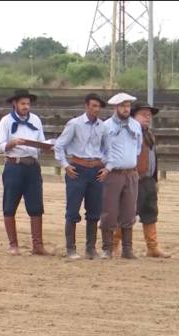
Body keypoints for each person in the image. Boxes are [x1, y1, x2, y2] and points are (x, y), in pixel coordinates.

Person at [53, 93, 108, 259]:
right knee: (72, 209)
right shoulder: (75, 124)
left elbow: (108, 148)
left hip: (96, 170)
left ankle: (90, 248)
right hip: (78, 168)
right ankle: (71, 248)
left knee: (94, 210)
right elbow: (59, 146)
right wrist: (65, 165)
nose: (96, 109)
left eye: (98, 106)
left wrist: (106, 166)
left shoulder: (103, 126)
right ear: (86, 106)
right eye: (93, 106)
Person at [112, 101, 171, 258]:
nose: (148, 118)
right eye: (143, 115)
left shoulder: (148, 134)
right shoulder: (129, 133)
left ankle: (152, 247)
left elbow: (153, 159)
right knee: (126, 214)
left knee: (150, 212)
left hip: (148, 180)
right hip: (134, 179)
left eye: (149, 115)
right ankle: (114, 244)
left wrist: (154, 180)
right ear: (133, 116)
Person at [0, 89, 51, 256]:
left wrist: (46, 147)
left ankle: (37, 245)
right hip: (14, 165)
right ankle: (13, 245)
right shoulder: (5, 121)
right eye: (23, 104)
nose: (26, 106)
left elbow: (41, 142)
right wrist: (11, 144)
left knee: (36, 206)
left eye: (28, 104)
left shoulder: (36, 120)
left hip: (32, 166)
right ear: (15, 104)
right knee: (10, 205)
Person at [98, 92, 142, 259]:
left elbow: (138, 148)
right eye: (123, 106)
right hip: (113, 173)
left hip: (130, 173)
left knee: (129, 211)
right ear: (116, 107)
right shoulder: (106, 126)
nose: (126, 109)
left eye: (128, 106)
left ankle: (127, 249)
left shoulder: (136, 126)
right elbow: (100, 149)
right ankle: (107, 248)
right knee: (109, 210)